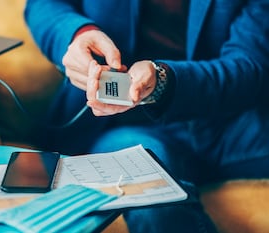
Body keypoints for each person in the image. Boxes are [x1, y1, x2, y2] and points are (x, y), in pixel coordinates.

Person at [24, 0, 269, 232]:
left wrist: (162, 80)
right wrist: (77, 34)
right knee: (150, 200)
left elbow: (250, 63)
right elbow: (43, 4)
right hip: (124, 125)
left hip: (236, 121)